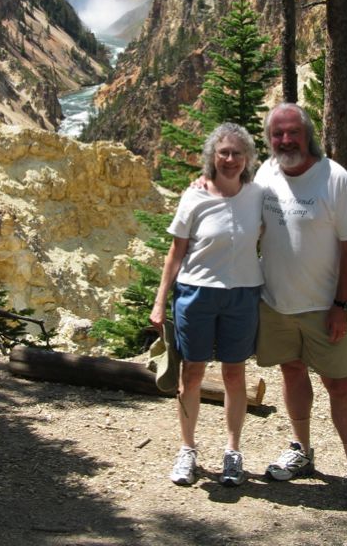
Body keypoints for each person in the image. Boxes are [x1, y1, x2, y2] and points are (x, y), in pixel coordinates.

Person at [254, 102, 347, 515]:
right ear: (269, 138)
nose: (285, 141)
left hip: (323, 307)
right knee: (291, 371)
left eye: (293, 133)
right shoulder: (265, 173)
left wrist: (341, 304)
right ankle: (302, 450)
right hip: (275, 303)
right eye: (277, 134)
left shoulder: (335, 179)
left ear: (308, 135)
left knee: (339, 385)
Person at [150, 122, 264, 487]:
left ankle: (232, 452)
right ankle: (187, 450)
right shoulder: (194, 196)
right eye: (223, 152)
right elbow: (175, 252)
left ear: (247, 158)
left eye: (237, 153)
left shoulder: (258, 194)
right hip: (195, 293)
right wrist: (159, 301)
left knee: (234, 375)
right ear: (212, 157)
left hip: (243, 294)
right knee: (192, 374)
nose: (230, 159)